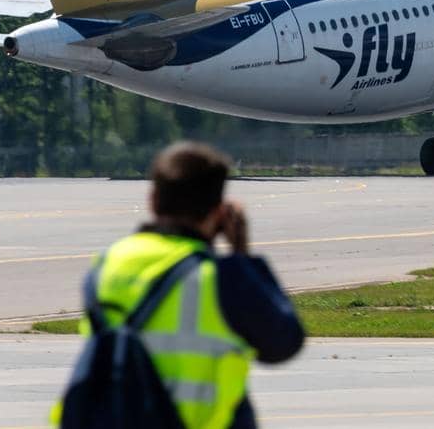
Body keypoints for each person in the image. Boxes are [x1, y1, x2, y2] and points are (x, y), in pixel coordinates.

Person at [60, 141, 304, 428]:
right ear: (218, 211)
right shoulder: (221, 277)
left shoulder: (107, 265)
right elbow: (283, 342)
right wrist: (242, 255)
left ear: (152, 200)